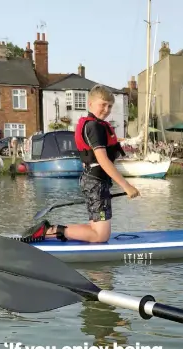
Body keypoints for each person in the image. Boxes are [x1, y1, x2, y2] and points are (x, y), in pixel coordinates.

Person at [22, 85, 140, 243]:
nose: (106, 109)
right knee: (100, 236)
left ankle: (55, 231)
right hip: (96, 183)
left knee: (98, 231)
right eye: (103, 104)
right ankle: (50, 230)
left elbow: (90, 157)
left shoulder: (95, 125)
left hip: (95, 181)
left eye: (110, 106)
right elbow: (103, 160)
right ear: (90, 104)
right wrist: (126, 185)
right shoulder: (94, 127)